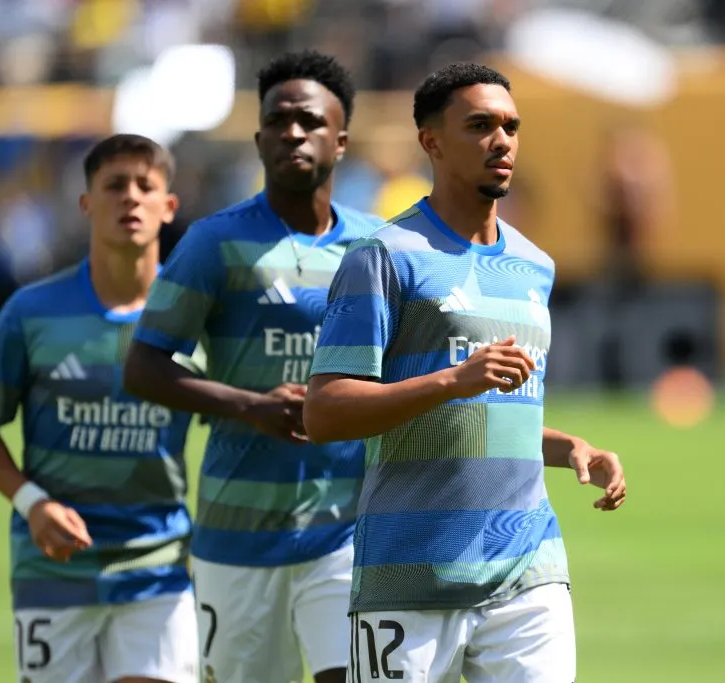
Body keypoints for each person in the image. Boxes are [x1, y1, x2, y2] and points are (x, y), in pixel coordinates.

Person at [304, 63, 628, 683]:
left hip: (528, 573)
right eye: (479, 125)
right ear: (431, 141)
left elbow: (494, 417)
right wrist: (454, 379)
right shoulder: (383, 258)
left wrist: (571, 447)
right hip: (408, 575)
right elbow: (325, 412)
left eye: (510, 126)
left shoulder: (535, 266)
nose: (501, 140)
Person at [123, 50, 382, 683]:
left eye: (311, 121)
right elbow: (142, 367)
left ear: (340, 139)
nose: (294, 131)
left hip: (344, 534)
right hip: (237, 538)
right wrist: (251, 405)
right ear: (260, 136)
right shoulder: (214, 242)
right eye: (278, 119)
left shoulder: (376, 248)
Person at [0, 134, 199, 683]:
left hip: (157, 568)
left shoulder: (194, 316)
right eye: (114, 186)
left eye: (145, 186)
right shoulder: (33, 312)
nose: (130, 199)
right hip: (54, 568)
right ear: (86, 203)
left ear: (169, 206)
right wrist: (32, 502)